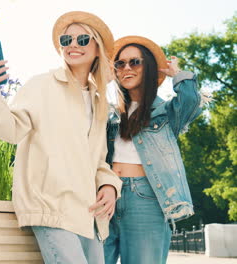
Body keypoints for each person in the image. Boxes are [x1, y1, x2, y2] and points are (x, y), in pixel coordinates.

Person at [0, 11, 122, 263]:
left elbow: (98, 160)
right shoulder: (41, 85)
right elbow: (10, 129)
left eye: (83, 39)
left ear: (97, 48)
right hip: (51, 208)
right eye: (66, 40)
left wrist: (109, 186)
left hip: (88, 215)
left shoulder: (99, 102)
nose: (73, 44)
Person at [103, 36, 204, 264]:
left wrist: (176, 74)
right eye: (120, 64)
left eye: (134, 62)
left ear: (147, 67)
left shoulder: (166, 113)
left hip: (146, 198)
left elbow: (190, 100)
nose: (126, 68)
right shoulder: (108, 113)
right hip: (104, 194)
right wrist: (102, 80)